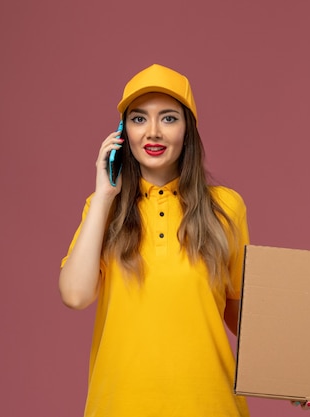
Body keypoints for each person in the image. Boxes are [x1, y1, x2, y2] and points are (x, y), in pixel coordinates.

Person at [59, 64, 251, 416]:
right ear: (122, 132)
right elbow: (75, 295)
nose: (153, 132)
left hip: (210, 406)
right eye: (138, 119)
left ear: (187, 130)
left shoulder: (226, 207)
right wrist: (104, 195)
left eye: (168, 118)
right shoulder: (103, 209)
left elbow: (242, 316)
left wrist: (301, 376)